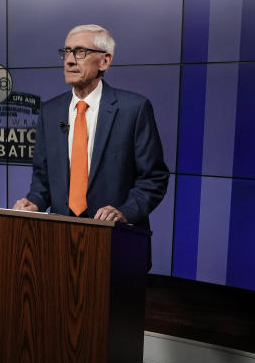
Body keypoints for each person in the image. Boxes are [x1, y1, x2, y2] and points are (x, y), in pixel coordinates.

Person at [14, 24, 168, 231]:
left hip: (114, 237)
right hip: (59, 236)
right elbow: (43, 177)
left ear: (105, 61)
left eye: (80, 52)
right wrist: (34, 203)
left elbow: (153, 178)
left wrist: (125, 211)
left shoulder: (134, 109)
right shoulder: (49, 112)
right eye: (66, 52)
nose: (69, 61)